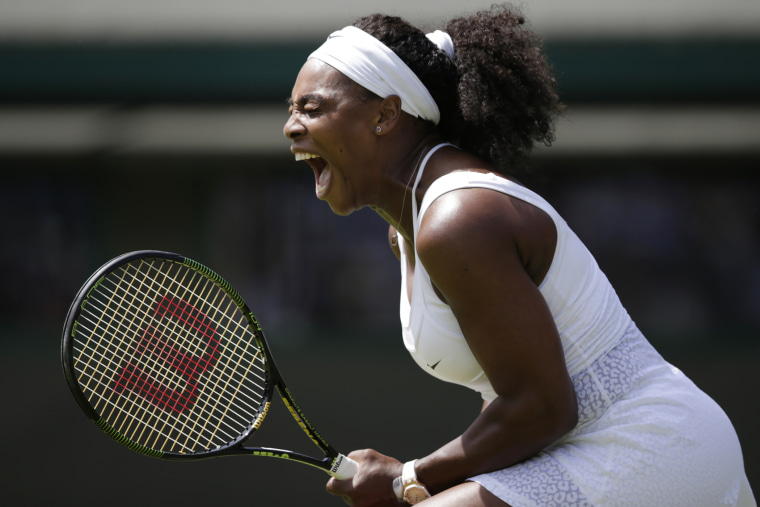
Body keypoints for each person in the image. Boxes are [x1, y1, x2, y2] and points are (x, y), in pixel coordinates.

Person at [283, 4, 755, 506]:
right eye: (290, 110)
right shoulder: (413, 226)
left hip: (650, 446)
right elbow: (520, 403)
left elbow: (542, 408)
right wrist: (418, 480)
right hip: (589, 447)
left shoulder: (456, 220)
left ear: (385, 114)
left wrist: (409, 478)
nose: (290, 127)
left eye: (311, 108)